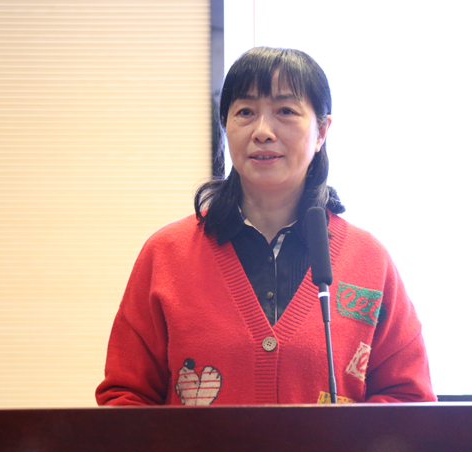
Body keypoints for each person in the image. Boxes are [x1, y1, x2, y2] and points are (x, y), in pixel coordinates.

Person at [96, 47, 435, 406]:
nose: (262, 132)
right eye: (245, 112)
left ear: (322, 131)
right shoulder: (167, 254)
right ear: (225, 126)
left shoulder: (369, 261)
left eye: (285, 111)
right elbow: (125, 395)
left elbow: (410, 398)